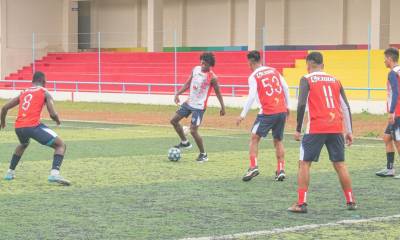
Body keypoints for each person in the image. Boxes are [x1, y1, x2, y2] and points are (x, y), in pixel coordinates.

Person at [288, 52, 356, 213]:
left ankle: (301, 203)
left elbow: (301, 104)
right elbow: (345, 107)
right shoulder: (335, 80)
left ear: (308, 65)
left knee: (304, 163)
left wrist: (298, 129)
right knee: (340, 164)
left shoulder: (306, 79)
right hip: (336, 127)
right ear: (323, 65)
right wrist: (349, 131)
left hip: (316, 127)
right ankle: (351, 200)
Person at [1, 71, 70, 186]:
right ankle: (54, 173)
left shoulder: (24, 92)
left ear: (32, 82)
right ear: (44, 82)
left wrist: (2, 122)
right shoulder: (44, 92)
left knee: (23, 144)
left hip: (19, 127)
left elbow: (4, 108)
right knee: (61, 145)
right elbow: (52, 114)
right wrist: (57, 121)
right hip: (32, 126)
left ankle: (10, 172)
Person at [237, 50, 290, 181]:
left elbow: (251, 96)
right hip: (281, 110)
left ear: (250, 62)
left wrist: (242, 114)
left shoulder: (254, 76)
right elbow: (286, 87)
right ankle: (281, 169)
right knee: (278, 140)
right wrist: (287, 106)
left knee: (254, 137)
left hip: (267, 111)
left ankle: (253, 166)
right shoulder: (274, 70)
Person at [170, 52, 225, 162]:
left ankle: (203, 154)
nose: (202, 65)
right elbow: (187, 84)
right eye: (201, 62)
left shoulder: (212, 77)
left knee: (194, 131)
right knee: (173, 121)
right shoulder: (195, 69)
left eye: (204, 64)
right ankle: (185, 142)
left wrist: (223, 107)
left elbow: (218, 93)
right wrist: (178, 93)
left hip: (199, 107)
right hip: (188, 103)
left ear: (210, 65)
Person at [376, 47, 400, 178]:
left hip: (397, 112)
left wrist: (391, 112)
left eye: (385, 59)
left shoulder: (392, 73)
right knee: (387, 138)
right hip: (397, 112)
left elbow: (396, 92)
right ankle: (390, 169)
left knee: (398, 141)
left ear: (390, 59)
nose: (384, 61)